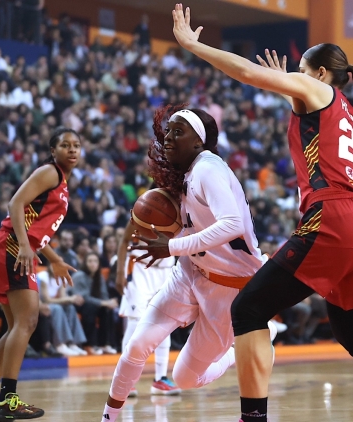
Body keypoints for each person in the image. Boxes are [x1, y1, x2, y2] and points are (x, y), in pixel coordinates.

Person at [169, 5, 353, 422]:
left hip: (333, 217)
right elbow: (313, 142)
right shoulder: (346, 110)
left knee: (249, 309)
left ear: (322, 74)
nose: (294, 77)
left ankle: (252, 418)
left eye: (301, 71)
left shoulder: (319, 91)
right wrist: (289, 87)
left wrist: (194, 45)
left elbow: (248, 74)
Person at [99, 105, 272, 422]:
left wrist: (172, 245)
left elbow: (231, 223)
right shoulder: (186, 174)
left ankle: (237, 350)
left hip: (229, 288)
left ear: (198, 143)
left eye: (178, 131)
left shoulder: (209, 168)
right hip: (191, 273)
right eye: (168, 131)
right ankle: (109, 417)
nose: (168, 137)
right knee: (138, 344)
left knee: (184, 379)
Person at [0, 127, 80, 421]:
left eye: (76, 145)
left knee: (17, 326)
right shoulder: (49, 173)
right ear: (53, 151)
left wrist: (54, 259)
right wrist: (27, 247)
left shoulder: (62, 182)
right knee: (27, 321)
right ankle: (7, 399)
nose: (72, 150)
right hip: (10, 247)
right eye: (65, 145)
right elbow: (14, 204)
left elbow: (37, 229)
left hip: (11, 246)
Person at [115, 220, 181, 396]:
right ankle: (124, 380)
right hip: (140, 269)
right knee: (135, 324)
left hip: (165, 271)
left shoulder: (180, 211)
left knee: (164, 322)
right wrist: (119, 271)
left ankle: (160, 379)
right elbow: (123, 241)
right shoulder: (142, 211)